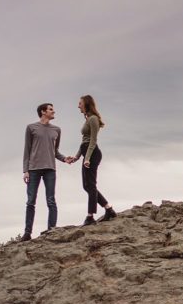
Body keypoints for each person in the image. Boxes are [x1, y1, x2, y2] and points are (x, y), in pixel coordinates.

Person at [66, 94, 116, 225]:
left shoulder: (93, 119)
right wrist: (77, 157)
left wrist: (87, 158)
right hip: (87, 154)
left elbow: (93, 141)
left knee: (91, 185)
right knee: (86, 186)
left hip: (93, 154)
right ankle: (108, 209)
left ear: (86, 104)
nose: (78, 106)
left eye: (80, 103)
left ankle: (90, 216)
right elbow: (84, 141)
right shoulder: (88, 119)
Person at [22, 102, 70, 240]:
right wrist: (25, 170)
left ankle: (52, 230)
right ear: (43, 112)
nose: (53, 111)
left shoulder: (57, 130)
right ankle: (27, 233)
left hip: (50, 169)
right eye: (51, 109)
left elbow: (55, 152)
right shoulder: (31, 128)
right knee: (31, 201)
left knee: (51, 200)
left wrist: (64, 159)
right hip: (33, 169)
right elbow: (27, 150)